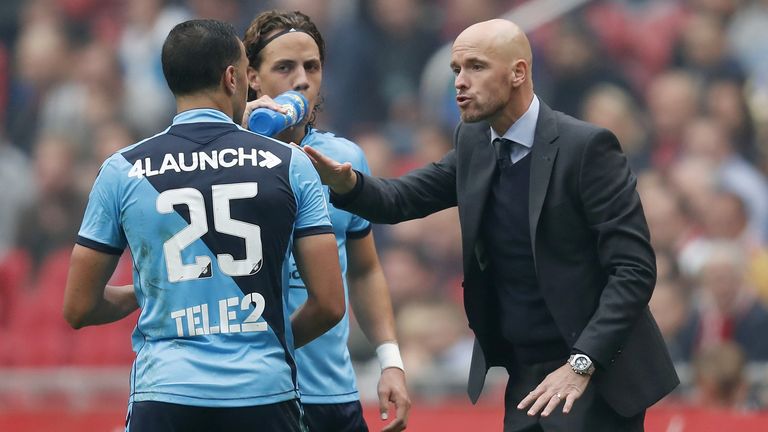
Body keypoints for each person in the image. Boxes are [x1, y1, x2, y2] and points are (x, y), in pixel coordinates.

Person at [304, 19, 679, 431]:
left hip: (594, 378)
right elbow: (400, 199)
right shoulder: (475, 143)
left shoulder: (586, 148)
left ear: (518, 72)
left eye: (476, 67)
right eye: (456, 70)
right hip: (525, 377)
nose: (460, 83)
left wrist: (582, 363)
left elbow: (634, 269)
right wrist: (346, 182)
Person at [63, 19, 345, 431]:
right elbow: (331, 304)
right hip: (263, 391)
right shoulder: (290, 164)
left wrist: (138, 294)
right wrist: (268, 340)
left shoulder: (122, 170)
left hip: (165, 392)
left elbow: (78, 308)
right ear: (233, 78)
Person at [241, 10, 410, 432]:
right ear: (252, 78)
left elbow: (366, 269)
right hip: (248, 395)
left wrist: (390, 361)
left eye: (311, 67)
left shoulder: (344, 160)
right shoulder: (222, 161)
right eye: (285, 67)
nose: (302, 80)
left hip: (331, 396)